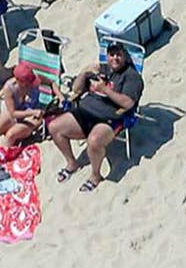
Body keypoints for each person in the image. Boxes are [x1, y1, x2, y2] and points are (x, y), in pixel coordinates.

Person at [49, 44, 144, 192]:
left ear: (125, 56)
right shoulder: (101, 69)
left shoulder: (131, 77)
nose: (115, 58)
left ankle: (95, 175)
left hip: (109, 119)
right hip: (84, 112)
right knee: (54, 127)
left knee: (94, 142)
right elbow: (76, 89)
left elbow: (128, 103)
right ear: (107, 56)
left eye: (118, 55)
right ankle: (72, 163)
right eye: (111, 55)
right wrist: (84, 73)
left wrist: (105, 90)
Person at [0, 62, 65, 146]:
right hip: (18, 113)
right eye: (27, 84)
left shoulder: (35, 78)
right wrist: (32, 112)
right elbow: (13, 113)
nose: (31, 85)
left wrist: (61, 97)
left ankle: (4, 157)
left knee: (10, 136)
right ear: (18, 81)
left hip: (34, 116)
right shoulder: (9, 88)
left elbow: (52, 82)